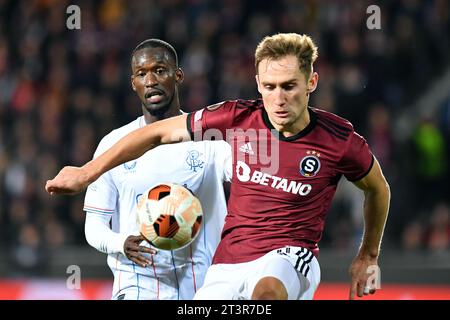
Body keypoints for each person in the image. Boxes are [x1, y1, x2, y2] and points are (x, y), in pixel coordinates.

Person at [46, 33, 390, 300]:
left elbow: (377, 188)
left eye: (289, 86)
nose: (279, 98)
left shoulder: (339, 139)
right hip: (224, 267)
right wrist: (86, 172)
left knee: (267, 292)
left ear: (311, 83)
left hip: (288, 255)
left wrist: (368, 255)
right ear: (257, 84)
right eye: (269, 87)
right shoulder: (233, 121)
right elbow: (156, 135)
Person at [82, 39, 232, 300]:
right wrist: (120, 243)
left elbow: (251, 180)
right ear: (133, 83)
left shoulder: (211, 141)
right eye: (142, 74)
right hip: (138, 283)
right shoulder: (113, 145)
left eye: (160, 70)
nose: (150, 80)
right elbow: (93, 226)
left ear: (178, 75)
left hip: (204, 286)